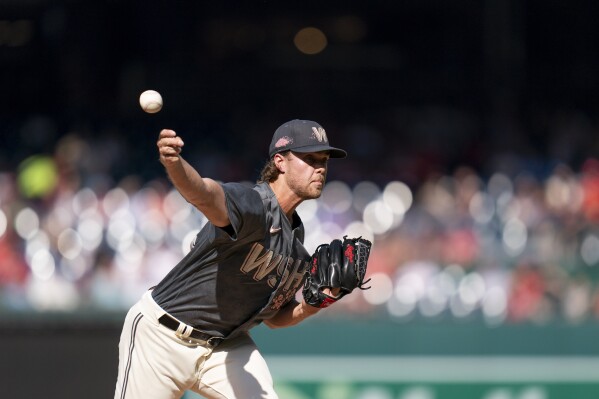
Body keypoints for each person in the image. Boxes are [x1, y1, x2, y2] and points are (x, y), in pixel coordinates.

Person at [114, 119, 349, 399]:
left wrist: (313, 306)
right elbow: (203, 194)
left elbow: (274, 317)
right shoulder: (252, 205)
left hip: (225, 345)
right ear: (280, 162)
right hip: (162, 336)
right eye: (310, 158)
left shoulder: (295, 244)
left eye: (324, 160)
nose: (320, 167)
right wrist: (175, 164)